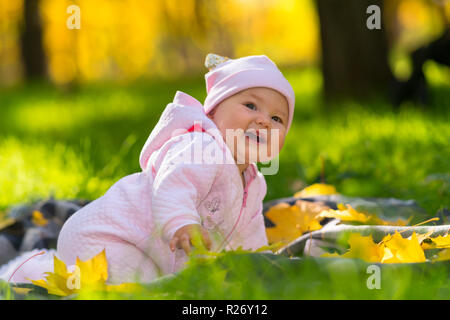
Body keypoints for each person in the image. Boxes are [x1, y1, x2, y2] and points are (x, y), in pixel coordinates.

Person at [14, 53, 295, 285]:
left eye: (276, 118)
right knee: (150, 287)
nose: (264, 122)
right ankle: (27, 270)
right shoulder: (201, 146)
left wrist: (260, 262)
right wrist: (182, 222)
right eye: (250, 105)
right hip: (104, 239)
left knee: (170, 281)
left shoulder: (254, 183)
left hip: (149, 252)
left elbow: (248, 234)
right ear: (213, 113)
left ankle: (45, 268)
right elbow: (173, 182)